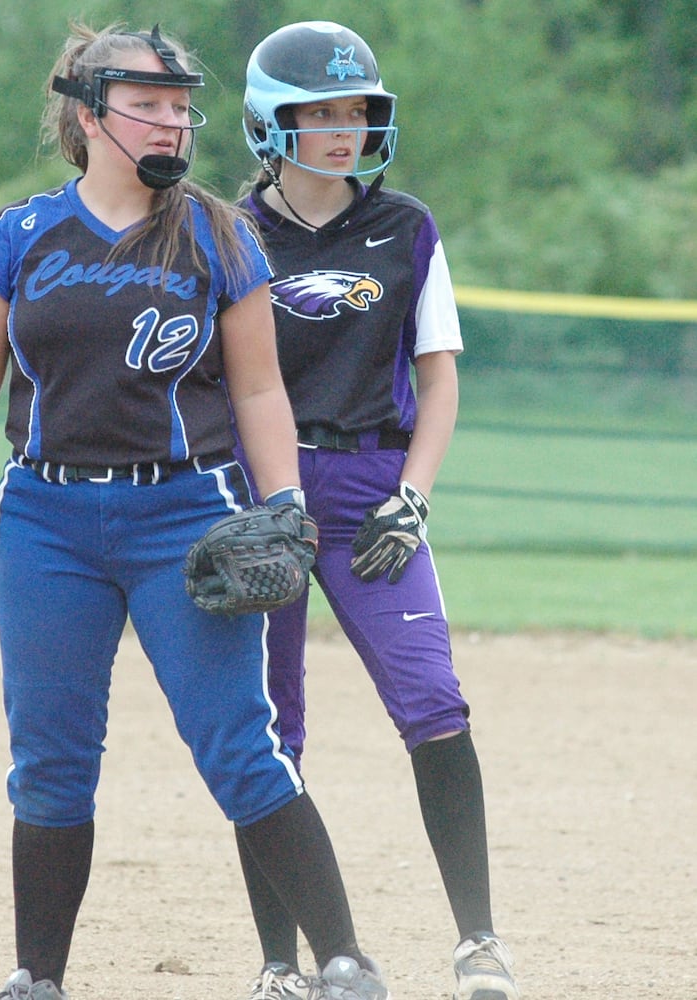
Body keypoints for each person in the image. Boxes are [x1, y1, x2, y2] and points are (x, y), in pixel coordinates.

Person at [0, 21, 389, 1000]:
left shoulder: (219, 233)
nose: (172, 120)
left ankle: (342, 959)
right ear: (90, 117)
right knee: (49, 756)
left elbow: (260, 392)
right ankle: (35, 977)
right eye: (149, 104)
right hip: (47, 517)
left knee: (238, 747)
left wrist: (287, 505)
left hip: (183, 515)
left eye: (181, 105)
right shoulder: (18, 237)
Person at [232, 21, 520, 1000]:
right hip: (260, 489)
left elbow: (436, 383)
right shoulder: (225, 234)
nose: (344, 127)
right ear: (270, 122)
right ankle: (281, 962)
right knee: (267, 729)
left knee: (432, 704)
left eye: (357, 110)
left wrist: (413, 494)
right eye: (320, 111)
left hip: (368, 488)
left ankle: (477, 942)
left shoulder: (405, 229)